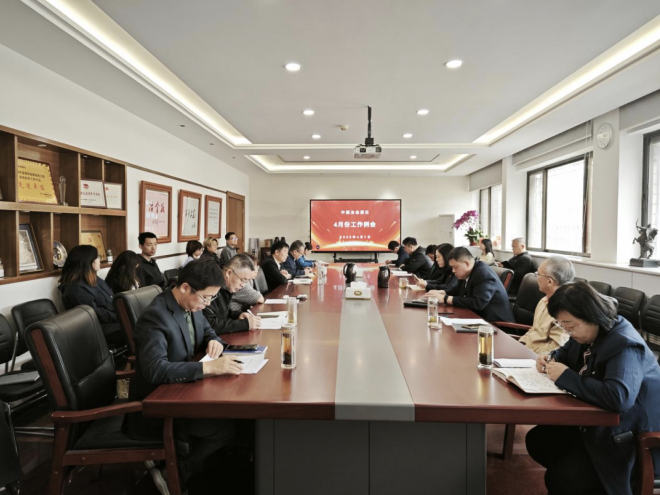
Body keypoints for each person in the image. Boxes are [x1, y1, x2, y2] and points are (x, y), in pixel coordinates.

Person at [526, 282, 660, 495]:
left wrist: (566, 376)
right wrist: (550, 358)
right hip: (597, 420)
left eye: (570, 326)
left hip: (627, 434)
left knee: (561, 479)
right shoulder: (586, 333)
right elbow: (564, 352)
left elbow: (619, 398)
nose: (568, 331)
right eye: (562, 326)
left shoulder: (624, 344)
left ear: (591, 316)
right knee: (539, 440)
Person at [125, 258, 242, 492]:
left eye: (212, 298)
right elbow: (155, 368)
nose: (207, 304)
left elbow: (208, 331)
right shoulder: (156, 316)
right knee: (227, 429)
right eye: (206, 298)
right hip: (157, 406)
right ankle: (177, 472)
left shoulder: (191, 305)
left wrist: (214, 342)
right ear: (186, 287)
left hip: (183, 392)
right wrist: (207, 368)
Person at [58, 245, 126, 346]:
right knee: (138, 328)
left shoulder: (95, 279)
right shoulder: (76, 288)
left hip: (112, 321)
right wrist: (120, 316)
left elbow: (111, 299)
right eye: (97, 257)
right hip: (97, 329)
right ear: (89, 262)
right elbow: (95, 313)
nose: (99, 260)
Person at [427, 247, 514, 322]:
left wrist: (445, 299)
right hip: (478, 319)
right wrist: (442, 292)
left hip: (496, 326)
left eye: (455, 267)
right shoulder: (468, 272)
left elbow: (478, 303)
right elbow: (457, 290)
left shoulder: (482, 274)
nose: (453, 271)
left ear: (467, 263)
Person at [518, 256, 574, 354]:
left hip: (538, 358)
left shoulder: (564, 310)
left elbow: (556, 348)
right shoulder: (544, 300)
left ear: (549, 281)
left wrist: (528, 352)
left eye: (538, 274)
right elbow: (533, 331)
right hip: (526, 352)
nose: (536, 277)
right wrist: (520, 344)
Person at [203, 254, 261, 334]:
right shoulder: (212, 287)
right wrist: (245, 324)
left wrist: (238, 315)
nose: (243, 285)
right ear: (229, 273)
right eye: (242, 280)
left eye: (246, 281)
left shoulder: (226, 288)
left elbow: (223, 313)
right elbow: (210, 325)